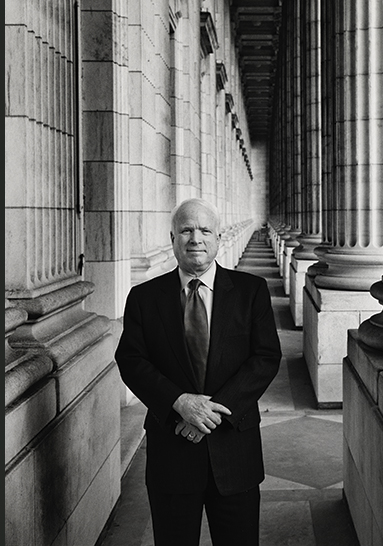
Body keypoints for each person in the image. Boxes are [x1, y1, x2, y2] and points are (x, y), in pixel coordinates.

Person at [115, 198, 282, 546]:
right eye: (187, 230)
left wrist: (211, 411)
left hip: (234, 450)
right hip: (172, 451)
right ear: (172, 237)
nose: (196, 238)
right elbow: (131, 360)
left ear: (218, 238)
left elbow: (265, 357)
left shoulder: (251, 292)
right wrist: (180, 403)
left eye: (205, 230)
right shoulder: (144, 297)